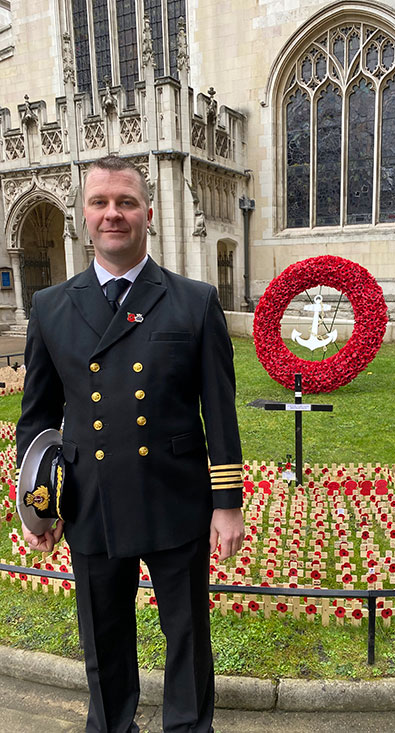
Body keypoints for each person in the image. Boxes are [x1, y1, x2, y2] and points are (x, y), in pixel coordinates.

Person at [16, 155, 244, 732]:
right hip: (92, 502)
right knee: (105, 641)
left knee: (188, 642)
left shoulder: (194, 300)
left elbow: (218, 411)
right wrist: (36, 505)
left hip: (176, 498)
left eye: (125, 202)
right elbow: (37, 418)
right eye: (100, 203)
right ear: (83, 215)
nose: (112, 214)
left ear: (148, 213)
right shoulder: (50, 307)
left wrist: (227, 503)